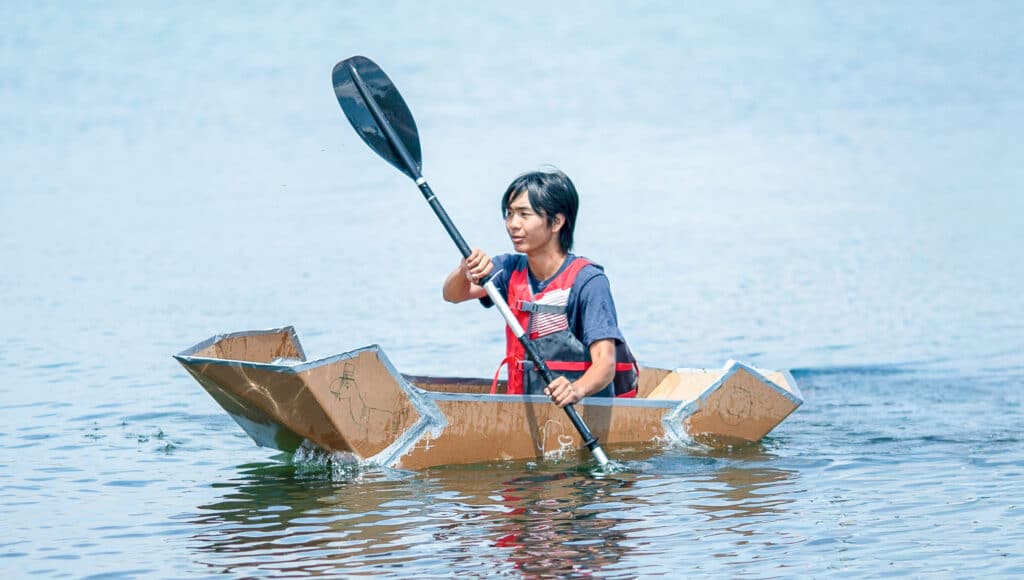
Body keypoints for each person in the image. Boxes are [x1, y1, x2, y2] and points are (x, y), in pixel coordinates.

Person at [442, 169, 638, 407]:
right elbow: (453, 295)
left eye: (524, 214)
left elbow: (605, 363)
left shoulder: (588, 281)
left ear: (557, 221)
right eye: (509, 214)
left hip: (577, 408)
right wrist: (464, 271)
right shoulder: (508, 268)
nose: (513, 224)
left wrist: (576, 390)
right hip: (524, 405)